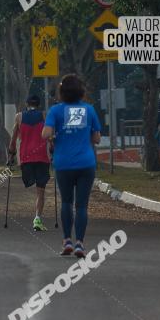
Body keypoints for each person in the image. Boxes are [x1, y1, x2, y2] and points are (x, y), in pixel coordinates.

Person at [42, 74, 101, 258]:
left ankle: (67, 240)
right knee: (81, 205)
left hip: (64, 163)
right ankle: (80, 244)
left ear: (61, 92)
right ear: (81, 92)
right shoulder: (89, 110)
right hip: (86, 163)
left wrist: (55, 137)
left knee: (66, 202)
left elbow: (46, 133)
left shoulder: (56, 111)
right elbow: (97, 138)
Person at [8, 94, 51, 232]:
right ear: (38, 105)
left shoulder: (19, 117)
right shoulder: (44, 115)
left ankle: (37, 219)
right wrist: (53, 147)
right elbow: (49, 135)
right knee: (41, 191)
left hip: (26, 158)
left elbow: (13, 138)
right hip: (41, 158)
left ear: (27, 104)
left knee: (29, 182)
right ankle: (37, 218)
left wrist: (11, 154)